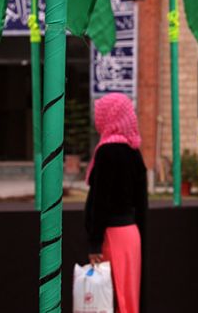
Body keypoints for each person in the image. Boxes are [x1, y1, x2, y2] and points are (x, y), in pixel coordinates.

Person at [84, 93, 147, 313]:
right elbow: (142, 202)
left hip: (112, 235)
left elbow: (99, 201)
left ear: (109, 116)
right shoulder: (134, 151)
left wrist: (94, 242)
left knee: (106, 298)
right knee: (128, 299)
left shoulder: (106, 152)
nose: (96, 118)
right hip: (131, 236)